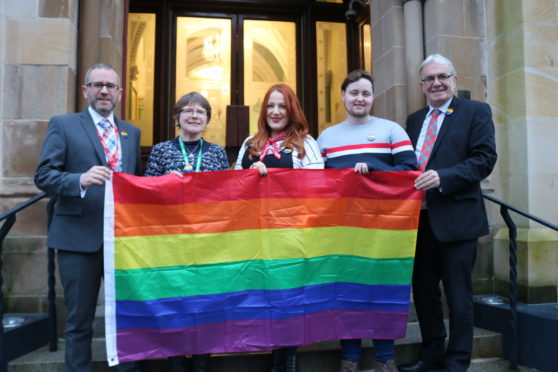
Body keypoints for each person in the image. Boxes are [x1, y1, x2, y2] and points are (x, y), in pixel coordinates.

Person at [34, 64, 142, 372]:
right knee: (79, 321)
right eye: (97, 85)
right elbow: (43, 175)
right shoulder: (64, 125)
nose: (104, 90)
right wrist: (78, 180)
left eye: (110, 86)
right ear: (86, 90)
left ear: (120, 93)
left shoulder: (131, 133)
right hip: (77, 238)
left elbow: (135, 182)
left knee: (127, 319)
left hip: (121, 241)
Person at [398, 54, 497, 372]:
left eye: (442, 76)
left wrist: (445, 177)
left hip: (457, 221)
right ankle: (431, 357)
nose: (436, 83)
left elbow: (484, 159)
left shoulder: (475, 112)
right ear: (422, 85)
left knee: (458, 298)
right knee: (425, 296)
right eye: (429, 78)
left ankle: (456, 363)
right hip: (420, 223)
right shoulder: (414, 120)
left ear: (454, 80)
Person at [316, 70, 417, 372]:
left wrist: (373, 170)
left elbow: (410, 171)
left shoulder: (391, 130)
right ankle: (349, 360)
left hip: (383, 230)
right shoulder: (326, 137)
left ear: (373, 98)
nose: (360, 98)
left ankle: (386, 361)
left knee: (382, 291)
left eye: (366, 93)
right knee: (347, 293)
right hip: (342, 232)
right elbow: (315, 182)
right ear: (343, 96)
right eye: (354, 93)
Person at [234, 83, 324, 371]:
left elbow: (316, 189)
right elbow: (233, 189)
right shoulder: (250, 144)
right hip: (256, 234)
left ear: (291, 110)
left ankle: (290, 359)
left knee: (289, 296)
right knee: (267, 296)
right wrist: (249, 175)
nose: (275, 112)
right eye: (270, 106)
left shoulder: (306, 144)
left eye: (282, 106)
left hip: (290, 233)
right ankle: (275, 355)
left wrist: (275, 178)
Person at [145, 91, 228, 372]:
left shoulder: (216, 152)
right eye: (188, 111)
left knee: (204, 306)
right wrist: (165, 183)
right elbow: (146, 193)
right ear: (177, 118)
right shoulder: (161, 150)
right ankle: (176, 363)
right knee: (175, 305)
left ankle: (202, 364)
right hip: (172, 243)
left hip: (207, 244)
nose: (194, 116)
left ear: (207, 120)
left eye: (201, 112)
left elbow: (228, 196)